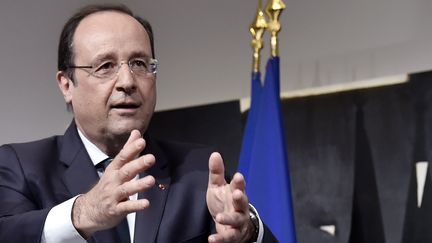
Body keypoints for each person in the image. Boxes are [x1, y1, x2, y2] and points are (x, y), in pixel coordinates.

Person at [0, 4, 277, 243]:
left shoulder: (197, 170)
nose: (127, 82)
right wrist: (82, 213)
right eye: (105, 66)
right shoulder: (21, 167)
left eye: (140, 64)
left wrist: (247, 232)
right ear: (66, 85)